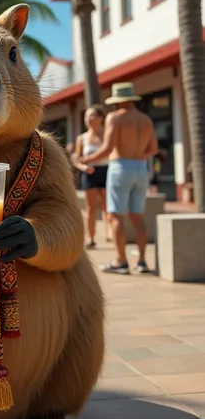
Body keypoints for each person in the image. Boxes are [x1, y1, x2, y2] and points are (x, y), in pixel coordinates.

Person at [79, 82, 158, 275]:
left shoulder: (115, 118)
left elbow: (106, 149)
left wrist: (85, 159)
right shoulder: (145, 119)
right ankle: (141, 261)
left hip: (120, 167)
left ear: (117, 100)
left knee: (115, 216)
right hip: (140, 167)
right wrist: (138, 157)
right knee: (137, 216)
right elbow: (153, 149)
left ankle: (120, 261)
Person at [72, 106, 110, 248]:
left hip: (106, 170)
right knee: (91, 208)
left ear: (101, 118)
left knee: (108, 207)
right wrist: (84, 168)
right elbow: (77, 159)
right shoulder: (81, 138)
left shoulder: (107, 134)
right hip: (90, 173)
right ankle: (91, 238)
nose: (89, 119)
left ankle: (109, 234)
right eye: (86, 116)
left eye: (92, 115)